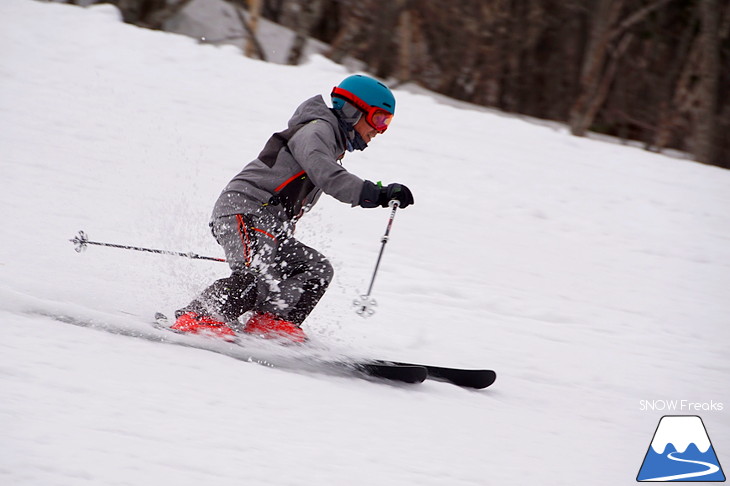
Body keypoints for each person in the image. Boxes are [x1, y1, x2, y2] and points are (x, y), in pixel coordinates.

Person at [171, 74, 414, 343]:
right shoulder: (316, 132)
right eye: (379, 118)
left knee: (316, 270)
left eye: (387, 122)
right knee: (257, 276)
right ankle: (201, 316)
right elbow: (329, 176)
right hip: (243, 210)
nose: (380, 129)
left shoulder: (330, 142)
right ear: (353, 110)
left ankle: (272, 322)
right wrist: (376, 193)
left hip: (269, 227)